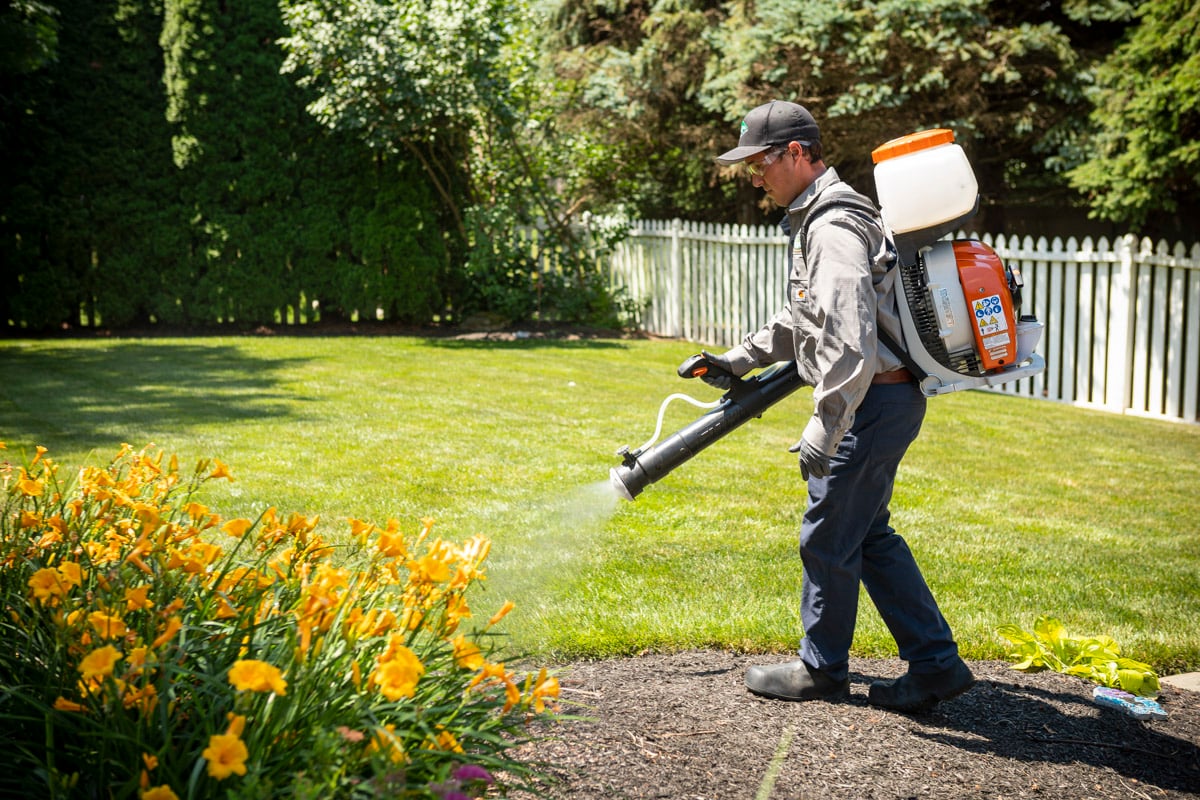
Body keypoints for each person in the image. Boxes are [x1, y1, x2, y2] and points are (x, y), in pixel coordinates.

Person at [688, 100, 974, 713]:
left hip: (869, 404)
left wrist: (827, 422)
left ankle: (822, 670)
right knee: (865, 533)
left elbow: (848, 337)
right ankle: (936, 664)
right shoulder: (820, 217)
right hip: (883, 401)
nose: (755, 175)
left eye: (761, 161)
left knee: (825, 534)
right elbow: (806, 315)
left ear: (797, 152)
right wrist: (739, 359)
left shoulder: (834, 225)